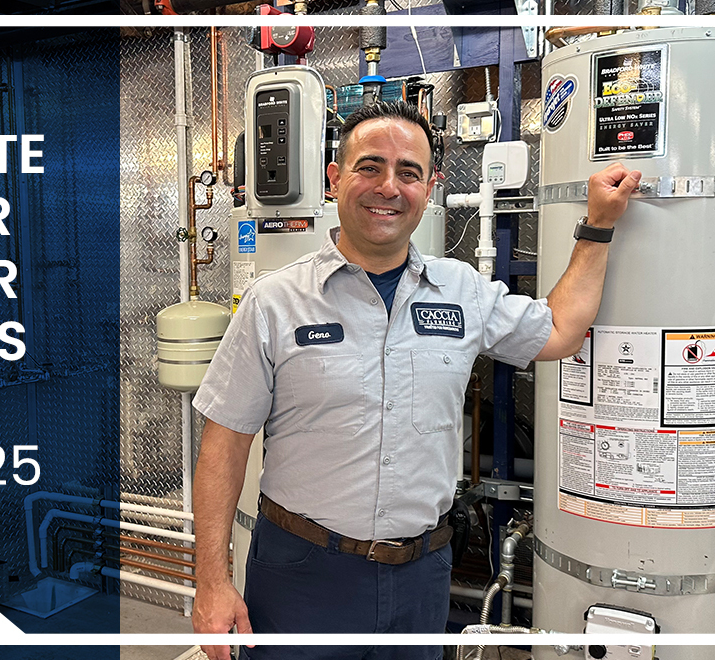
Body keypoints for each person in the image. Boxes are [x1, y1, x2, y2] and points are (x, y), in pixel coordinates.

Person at [190, 101, 642, 660]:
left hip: (421, 574)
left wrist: (597, 227)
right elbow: (224, 445)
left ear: (431, 186)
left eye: (408, 172)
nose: (388, 186)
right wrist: (212, 579)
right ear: (335, 180)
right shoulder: (274, 302)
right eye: (369, 167)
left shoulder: (463, 291)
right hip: (303, 573)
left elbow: (560, 332)